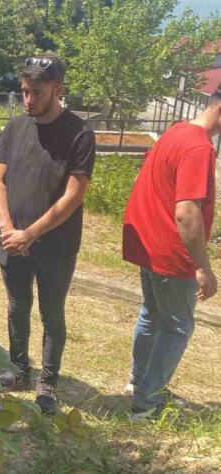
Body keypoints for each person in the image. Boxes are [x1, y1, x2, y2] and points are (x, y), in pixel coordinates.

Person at [0, 54, 96, 414]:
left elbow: (73, 196)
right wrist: (7, 228)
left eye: (37, 92)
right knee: (17, 307)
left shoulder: (80, 134)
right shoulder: (15, 127)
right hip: (12, 240)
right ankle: (19, 369)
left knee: (51, 313)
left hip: (55, 245)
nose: (28, 99)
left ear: (58, 90)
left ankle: (48, 381)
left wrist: (30, 234)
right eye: (24, 91)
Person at [122, 87, 220, 421]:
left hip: (148, 243)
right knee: (177, 327)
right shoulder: (199, 147)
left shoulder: (177, 131)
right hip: (170, 252)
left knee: (152, 313)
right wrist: (203, 267)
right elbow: (186, 214)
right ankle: (146, 402)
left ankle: (138, 382)